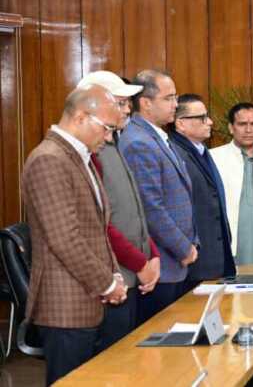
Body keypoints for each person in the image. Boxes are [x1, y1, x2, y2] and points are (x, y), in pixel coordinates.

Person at [21, 84, 128, 385]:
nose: (109, 138)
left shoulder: (80, 156)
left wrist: (114, 275)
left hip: (89, 298)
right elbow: (65, 239)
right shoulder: (49, 159)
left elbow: (98, 229)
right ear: (81, 117)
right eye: (107, 128)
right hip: (66, 306)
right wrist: (107, 283)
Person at [76, 71, 160, 352]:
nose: (127, 110)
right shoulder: (92, 152)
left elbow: (134, 211)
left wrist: (152, 254)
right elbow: (101, 223)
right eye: (120, 103)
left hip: (133, 273)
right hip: (115, 276)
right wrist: (141, 263)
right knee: (115, 360)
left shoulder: (113, 143)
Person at [120, 69, 198, 322]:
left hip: (173, 263)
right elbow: (151, 208)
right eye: (169, 98)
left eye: (175, 97)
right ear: (145, 103)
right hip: (161, 265)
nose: (176, 104)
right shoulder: (138, 142)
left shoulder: (157, 136)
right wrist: (183, 247)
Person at [169, 94, 236, 289]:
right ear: (181, 123)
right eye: (202, 118)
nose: (210, 122)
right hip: (194, 262)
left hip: (213, 257)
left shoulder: (200, 149)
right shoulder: (176, 154)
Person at [211, 102, 253, 265]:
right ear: (231, 127)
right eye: (242, 124)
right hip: (227, 241)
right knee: (232, 279)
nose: (248, 130)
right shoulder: (214, 157)